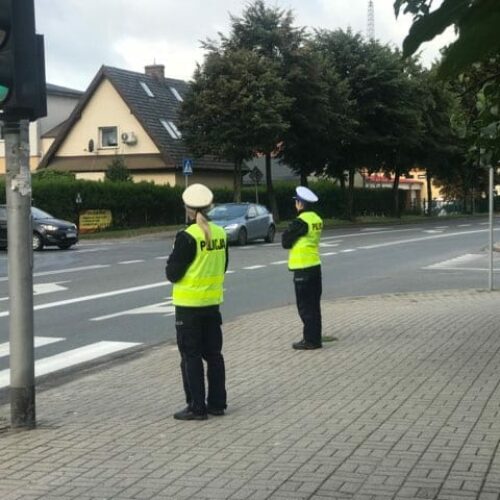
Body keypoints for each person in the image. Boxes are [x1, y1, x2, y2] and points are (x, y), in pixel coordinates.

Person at [165, 183, 228, 420]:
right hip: (212, 305)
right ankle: (217, 404)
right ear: (210, 207)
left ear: (187, 209)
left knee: (190, 357)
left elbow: (173, 273)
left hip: (189, 307)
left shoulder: (187, 237)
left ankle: (196, 406)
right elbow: (223, 266)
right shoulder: (220, 233)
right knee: (214, 355)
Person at [281, 186, 323, 350]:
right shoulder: (316, 219)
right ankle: (315, 338)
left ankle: (310, 340)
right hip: (315, 266)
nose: (295, 204)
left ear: (300, 204)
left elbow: (285, 241)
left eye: (296, 202)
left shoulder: (300, 222)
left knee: (305, 308)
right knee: (314, 306)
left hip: (303, 269)